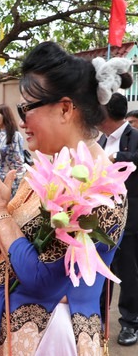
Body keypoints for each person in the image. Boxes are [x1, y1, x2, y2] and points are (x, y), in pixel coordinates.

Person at [0, 41, 131, 355]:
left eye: (26, 108)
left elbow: (43, 281)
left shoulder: (101, 188)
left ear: (66, 108)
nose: (21, 120)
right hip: (9, 327)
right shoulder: (44, 170)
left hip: (53, 338)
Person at [98, 92, 138, 346]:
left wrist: (116, 159)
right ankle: (99, 318)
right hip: (102, 217)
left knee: (128, 272)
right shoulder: (101, 140)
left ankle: (130, 322)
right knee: (102, 271)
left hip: (130, 218)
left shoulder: (134, 137)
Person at [0, 104, 26, 196]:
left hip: (12, 181)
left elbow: (19, 161)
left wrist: (17, 181)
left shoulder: (15, 135)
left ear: (4, 116)